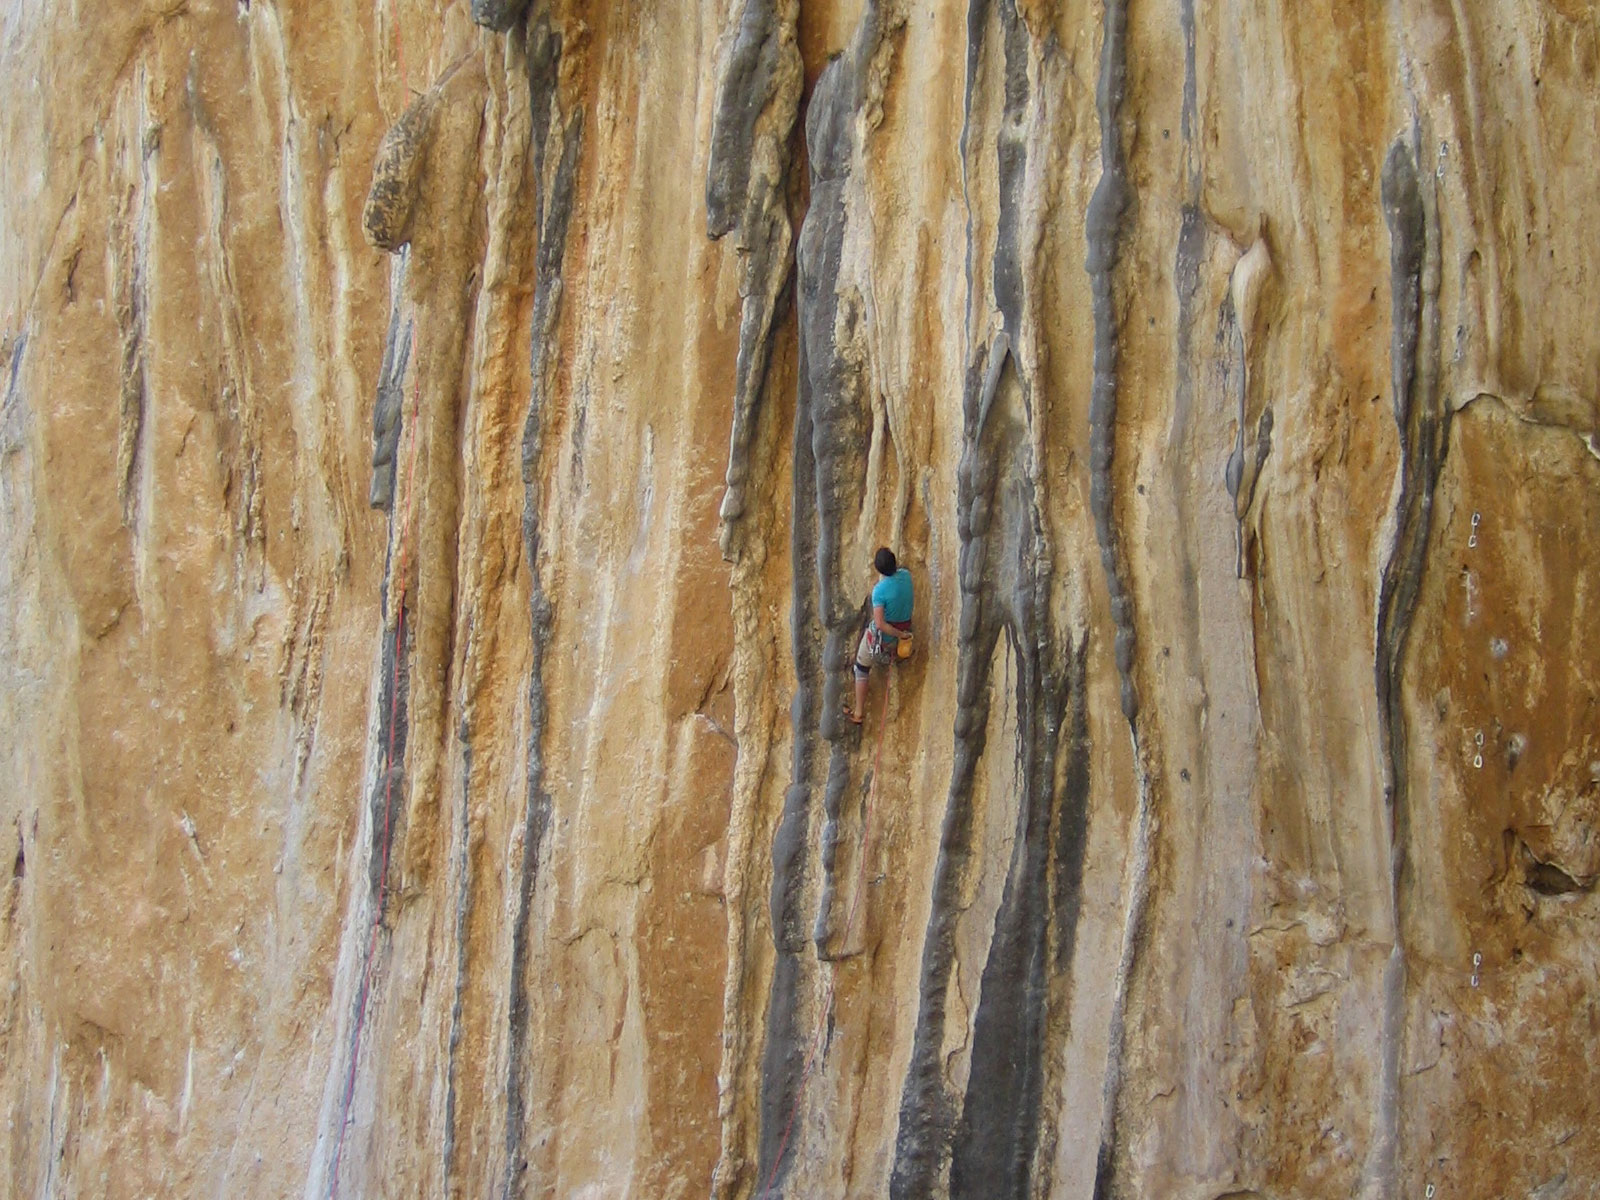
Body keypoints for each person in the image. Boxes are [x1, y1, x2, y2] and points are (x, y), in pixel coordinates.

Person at [844, 547, 913, 725]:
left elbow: (880, 624)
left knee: (861, 667)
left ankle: (858, 713)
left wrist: (900, 635)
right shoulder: (906, 575)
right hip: (905, 627)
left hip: (888, 638)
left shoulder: (879, 592)